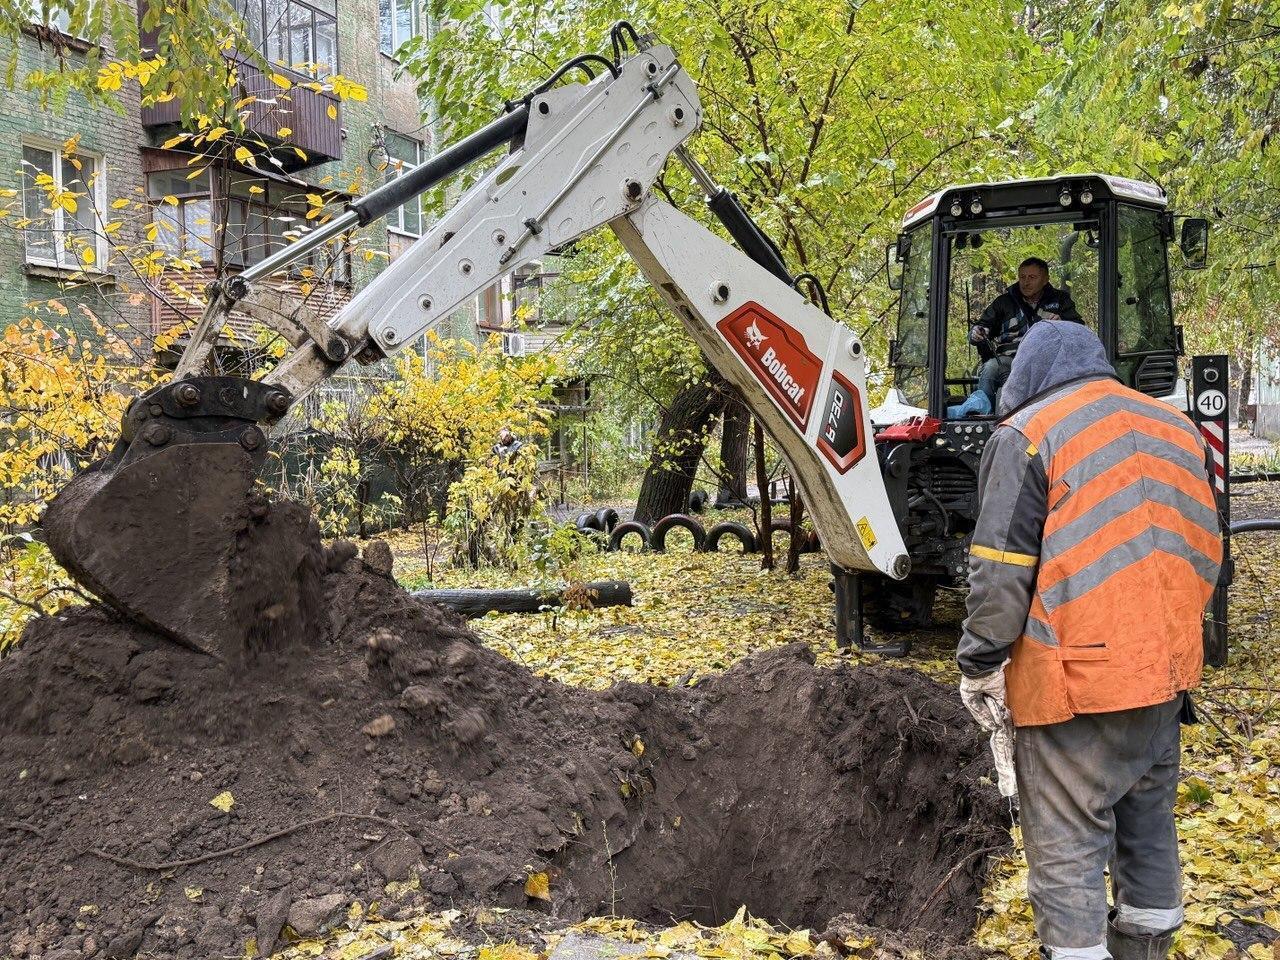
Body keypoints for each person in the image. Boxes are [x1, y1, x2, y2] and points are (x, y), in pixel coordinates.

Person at [956, 320, 1223, 960]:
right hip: (1164, 674)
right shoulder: (1175, 429)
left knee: (1066, 844)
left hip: (1074, 683)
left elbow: (1000, 571)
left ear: (1026, 377)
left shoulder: (1029, 435)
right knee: (1148, 829)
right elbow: (1208, 549)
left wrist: (980, 660)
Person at [948, 257, 1082, 418]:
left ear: (1046, 279)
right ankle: (981, 415)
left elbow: (1079, 329)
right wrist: (976, 332)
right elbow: (982, 326)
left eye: (1032, 277)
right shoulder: (1004, 302)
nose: (1026, 282)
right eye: (1022, 277)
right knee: (991, 367)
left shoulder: (1060, 300)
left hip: (1049, 361)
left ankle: (1067, 416)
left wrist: (1063, 323)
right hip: (1010, 361)